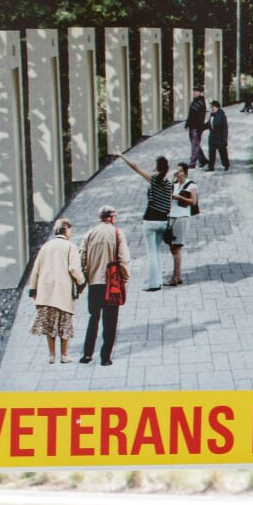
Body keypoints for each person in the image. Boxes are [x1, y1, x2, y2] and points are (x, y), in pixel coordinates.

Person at [78, 205, 131, 366]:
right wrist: (125, 280)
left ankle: (87, 354)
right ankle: (105, 357)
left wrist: (85, 278)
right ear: (112, 217)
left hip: (94, 283)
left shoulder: (90, 233)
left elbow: (81, 258)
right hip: (111, 284)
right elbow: (123, 260)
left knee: (93, 318)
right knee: (110, 321)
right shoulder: (117, 233)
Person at [28, 217, 84, 365]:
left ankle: (51, 355)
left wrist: (32, 288)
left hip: (46, 291)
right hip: (63, 291)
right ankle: (64, 355)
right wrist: (81, 281)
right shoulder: (70, 247)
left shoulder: (45, 246)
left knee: (49, 324)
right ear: (66, 229)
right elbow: (74, 269)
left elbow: (36, 269)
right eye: (70, 229)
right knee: (64, 323)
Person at [119, 153, 175, 291]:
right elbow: (169, 204)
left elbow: (135, 167)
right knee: (157, 252)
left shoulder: (154, 180)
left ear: (157, 167)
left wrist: (121, 155)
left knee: (151, 253)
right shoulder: (169, 184)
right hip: (163, 221)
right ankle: (159, 281)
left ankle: (153, 284)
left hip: (150, 220)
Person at [164, 162, 197, 288]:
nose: (178, 173)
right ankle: (178, 276)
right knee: (172, 247)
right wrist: (172, 178)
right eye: (177, 171)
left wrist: (180, 198)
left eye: (180, 171)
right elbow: (165, 189)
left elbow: (193, 201)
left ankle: (175, 277)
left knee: (177, 248)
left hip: (182, 217)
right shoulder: (174, 184)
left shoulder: (191, 185)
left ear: (186, 172)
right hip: (171, 216)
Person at [185, 87, 209, 169]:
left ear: (200, 93)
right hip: (192, 126)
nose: (195, 93)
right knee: (195, 144)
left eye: (197, 92)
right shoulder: (195, 101)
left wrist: (199, 129)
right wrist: (187, 124)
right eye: (194, 91)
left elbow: (200, 118)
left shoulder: (200, 103)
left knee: (194, 145)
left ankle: (192, 163)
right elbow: (190, 114)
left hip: (196, 128)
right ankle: (203, 160)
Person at [205, 101, 230, 171]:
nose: (212, 108)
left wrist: (225, 139)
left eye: (213, 107)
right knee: (211, 152)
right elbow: (209, 124)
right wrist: (201, 128)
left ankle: (226, 164)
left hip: (220, 137)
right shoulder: (212, 114)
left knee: (222, 152)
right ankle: (211, 167)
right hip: (212, 136)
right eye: (212, 107)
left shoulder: (222, 115)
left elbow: (225, 129)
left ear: (217, 107)